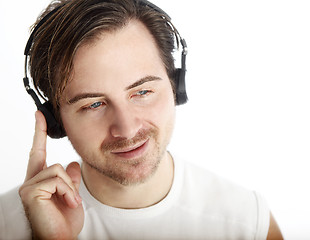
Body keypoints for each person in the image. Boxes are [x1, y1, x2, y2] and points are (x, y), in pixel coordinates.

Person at [0, 0, 283, 239]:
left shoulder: (247, 221)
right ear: (55, 120)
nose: (127, 128)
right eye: (94, 104)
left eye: (143, 91)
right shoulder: (7, 223)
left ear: (176, 86)